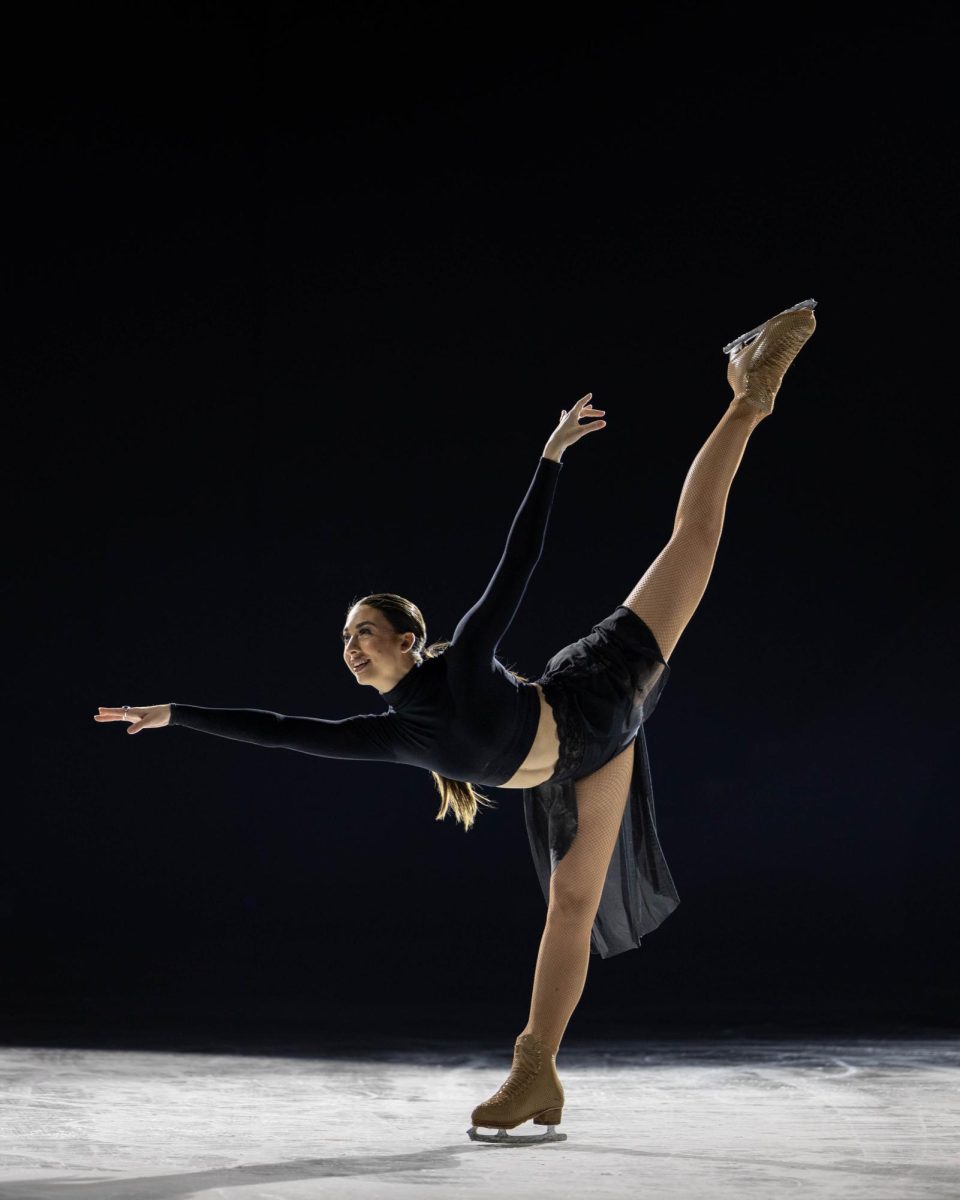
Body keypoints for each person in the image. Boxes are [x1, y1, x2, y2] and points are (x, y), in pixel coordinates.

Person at [95, 298, 817, 1144]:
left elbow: (517, 563)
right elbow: (281, 728)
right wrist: (173, 714)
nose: (351, 648)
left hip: (594, 691)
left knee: (691, 538)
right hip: (578, 763)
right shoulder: (394, 736)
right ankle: (536, 1072)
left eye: (363, 632)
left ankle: (749, 388)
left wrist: (550, 455)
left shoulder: (462, 664)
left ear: (407, 639)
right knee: (571, 908)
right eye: (343, 640)